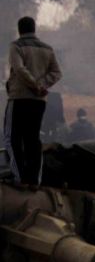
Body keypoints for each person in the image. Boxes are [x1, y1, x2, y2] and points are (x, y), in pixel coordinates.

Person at [5, 16, 61, 188]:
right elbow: (57, 73)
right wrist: (42, 86)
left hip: (19, 97)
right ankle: (34, 180)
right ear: (34, 29)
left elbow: (19, 69)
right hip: (39, 101)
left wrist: (35, 85)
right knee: (33, 139)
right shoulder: (48, 49)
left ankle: (19, 177)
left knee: (11, 138)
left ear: (19, 29)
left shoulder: (16, 46)